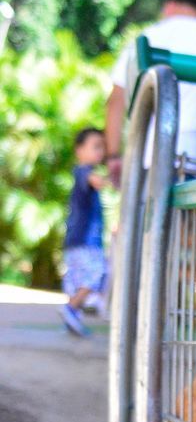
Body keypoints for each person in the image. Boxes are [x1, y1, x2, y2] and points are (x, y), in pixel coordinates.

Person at [104, 0, 196, 179]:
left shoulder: (147, 38)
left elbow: (116, 100)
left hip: (144, 156)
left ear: (169, 7)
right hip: (190, 159)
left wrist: (113, 155)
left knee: (144, 207)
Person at [60, 128, 109, 337]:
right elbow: (94, 180)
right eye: (96, 146)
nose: (101, 152)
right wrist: (117, 179)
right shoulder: (83, 171)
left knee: (82, 278)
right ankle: (71, 309)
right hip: (85, 240)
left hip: (78, 240)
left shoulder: (84, 172)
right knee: (96, 274)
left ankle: (73, 315)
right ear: (79, 150)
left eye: (103, 147)